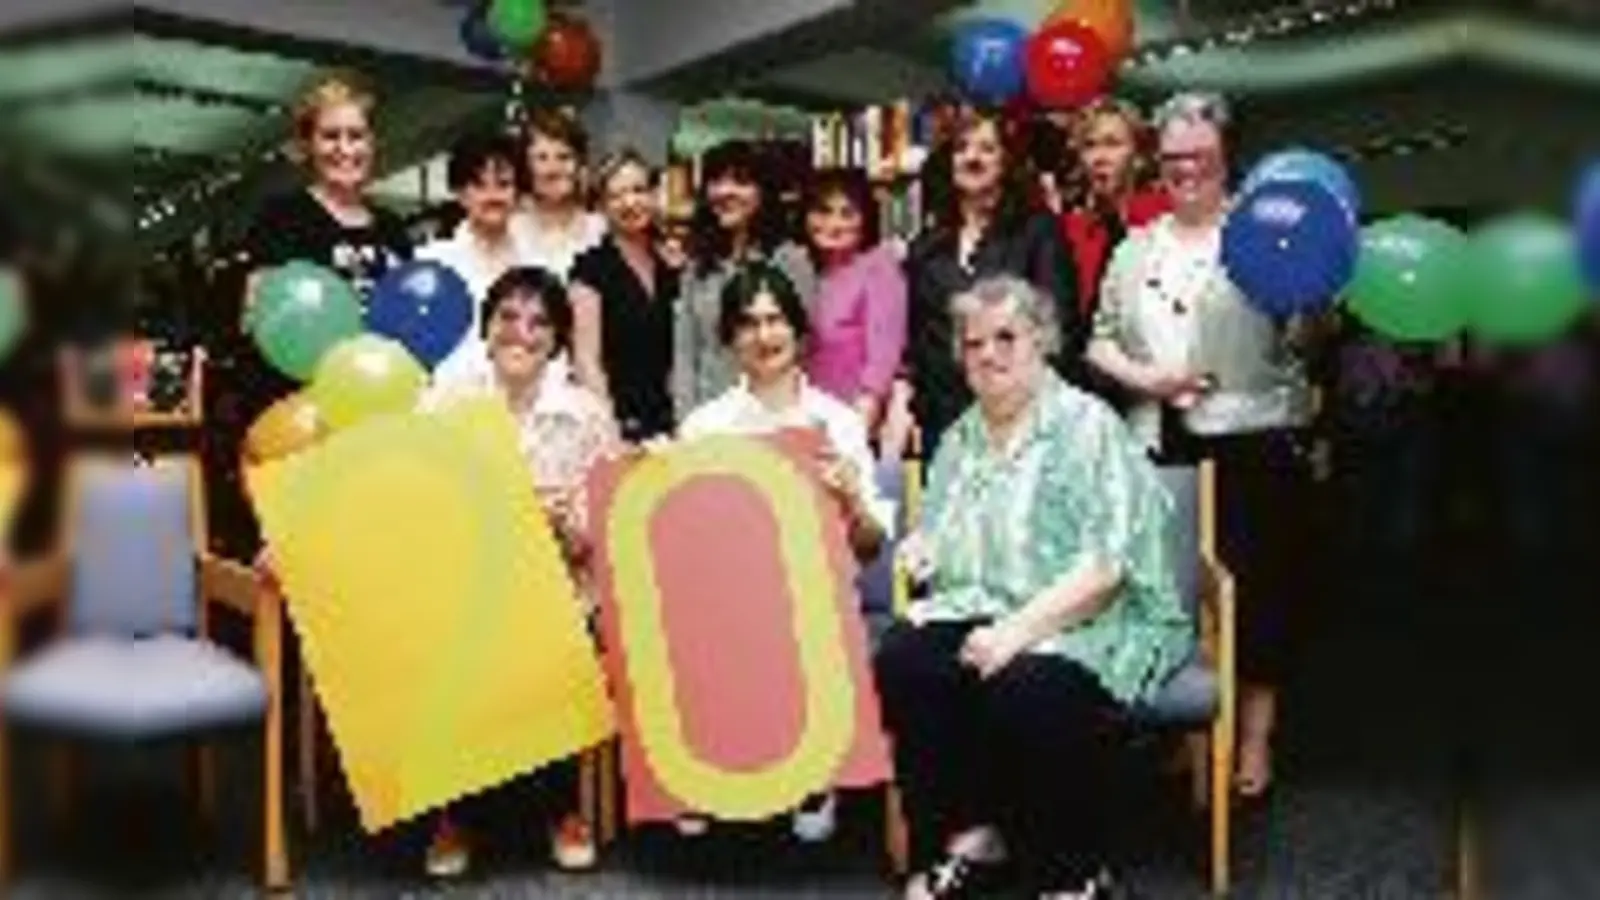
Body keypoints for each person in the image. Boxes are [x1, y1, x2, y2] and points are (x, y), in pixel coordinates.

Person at [877, 274, 1189, 900]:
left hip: (1092, 613)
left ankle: (1072, 873)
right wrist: (928, 545)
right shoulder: (963, 434)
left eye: (1006, 338)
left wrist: (1016, 633)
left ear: (1042, 342)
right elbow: (948, 531)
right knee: (907, 661)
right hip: (988, 601)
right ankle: (971, 838)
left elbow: (1106, 570)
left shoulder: (1086, 425)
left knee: (1030, 686)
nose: (987, 355)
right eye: (973, 343)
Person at [1085, 91, 1316, 798]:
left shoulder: (1264, 234)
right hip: (1156, 444)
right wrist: (1147, 377)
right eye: (1173, 156)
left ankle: (1253, 737)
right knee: (1174, 596)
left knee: (1258, 594)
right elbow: (1098, 339)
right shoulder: (1135, 248)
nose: (1185, 168)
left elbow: (1301, 343)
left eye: (1201, 156)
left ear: (1225, 158)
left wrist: (1307, 300)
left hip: (1251, 439)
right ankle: (1191, 736)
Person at [675, 261, 893, 843]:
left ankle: (814, 775)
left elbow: (870, 548)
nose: (763, 335)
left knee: (800, 612)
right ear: (727, 338)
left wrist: (851, 500)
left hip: (816, 592)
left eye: (775, 320)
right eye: (747, 323)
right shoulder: (704, 426)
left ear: (798, 331)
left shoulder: (838, 422)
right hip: (731, 594)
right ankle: (703, 771)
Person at [416, 266, 618, 878]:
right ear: (486, 327)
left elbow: (600, 542)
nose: (521, 333)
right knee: (453, 637)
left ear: (557, 340)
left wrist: (563, 525)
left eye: (538, 323)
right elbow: (409, 511)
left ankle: (562, 810)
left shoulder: (586, 417)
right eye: (508, 317)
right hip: (466, 586)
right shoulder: (444, 407)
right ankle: (455, 813)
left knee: (555, 636)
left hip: (559, 590)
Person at [893, 107, 1081, 460]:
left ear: (1007, 162)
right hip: (944, 426)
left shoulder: (1038, 232)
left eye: (987, 148)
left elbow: (1061, 329)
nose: (972, 158)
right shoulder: (926, 247)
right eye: (962, 148)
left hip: (1024, 422)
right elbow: (917, 339)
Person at [237, 72, 413, 429]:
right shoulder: (282, 218)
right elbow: (255, 318)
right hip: (304, 417)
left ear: (372, 143)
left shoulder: (394, 229)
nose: (345, 149)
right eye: (330, 136)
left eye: (356, 136)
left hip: (377, 415)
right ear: (308, 145)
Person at [673, 140, 815, 419]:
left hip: (771, 415)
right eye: (716, 181)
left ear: (763, 191)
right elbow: (685, 351)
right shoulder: (698, 264)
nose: (725, 192)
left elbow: (799, 347)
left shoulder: (790, 260)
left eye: (740, 182)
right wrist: (686, 420)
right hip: (706, 418)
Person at [568, 149, 678, 443]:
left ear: (654, 194)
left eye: (638, 190)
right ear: (602, 206)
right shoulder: (590, 267)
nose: (630, 203)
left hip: (675, 423)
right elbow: (586, 360)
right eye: (615, 195)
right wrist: (610, 430)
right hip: (620, 427)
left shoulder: (671, 264)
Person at [417, 128, 536, 384]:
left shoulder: (536, 265)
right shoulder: (431, 263)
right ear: (460, 194)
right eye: (479, 185)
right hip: (449, 404)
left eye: (503, 185)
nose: (493, 196)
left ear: (518, 193)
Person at [800, 167, 908, 435]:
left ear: (865, 220)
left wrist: (854, 433)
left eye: (847, 214)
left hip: (853, 421)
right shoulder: (803, 270)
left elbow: (882, 361)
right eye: (823, 211)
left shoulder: (879, 268)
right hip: (805, 418)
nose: (833, 224)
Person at [1058, 97, 1169, 322]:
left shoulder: (1165, 218)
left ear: (1138, 156)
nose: (1100, 158)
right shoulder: (1069, 230)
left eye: (1112, 144)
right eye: (1089, 145)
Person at [509, 109, 606, 280]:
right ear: (525, 166)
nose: (553, 169)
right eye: (541, 158)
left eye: (564, 157)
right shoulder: (508, 230)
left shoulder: (602, 230)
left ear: (580, 164)